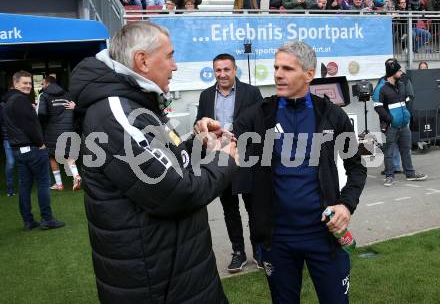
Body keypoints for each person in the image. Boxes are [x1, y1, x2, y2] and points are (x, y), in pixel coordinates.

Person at [69, 21, 238, 303]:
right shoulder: (116, 113)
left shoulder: (132, 103)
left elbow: (164, 163)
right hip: (159, 282)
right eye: (170, 55)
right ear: (142, 60)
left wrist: (199, 143)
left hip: (176, 269)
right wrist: (223, 161)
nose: (174, 66)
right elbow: (176, 192)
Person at [196, 41, 367, 303]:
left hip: (323, 235)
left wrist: (346, 205)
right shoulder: (260, 114)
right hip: (278, 240)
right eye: (276, 67)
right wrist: (211, 133)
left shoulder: (331, 115)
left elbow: (356, 166)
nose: (278, 74)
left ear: (309, 74)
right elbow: (228, 139)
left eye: (287, 68)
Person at [196, 53, 263, 273]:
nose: (222, 74)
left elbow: (260, 123)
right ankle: (238, 252)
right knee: (229, 209)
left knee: (254, 207)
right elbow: (201, 125)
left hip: (247, 158)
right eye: (218, 70)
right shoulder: (206, 96)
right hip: (220, 160)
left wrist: (235, 137)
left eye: (226, 69)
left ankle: (260, 250)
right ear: (213, 72)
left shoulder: (252, 93)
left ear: (235, 70)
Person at [3, 71, 65, 231]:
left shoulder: (9, 101)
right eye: (24, 83)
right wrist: (40, 143)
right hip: (32, 149)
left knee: (25, 186)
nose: (28, 86)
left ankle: (28, 221)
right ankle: (47, 219)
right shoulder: (20, 101)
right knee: (44, 183)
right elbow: (30, 126)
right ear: (15, 84)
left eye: (30, 83)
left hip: (18, 150)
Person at [374, 59, 427, 186]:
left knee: (406, 150)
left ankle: (410, 174)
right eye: (399, 70)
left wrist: (407, 115)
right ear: (392, 73)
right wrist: (390, 119)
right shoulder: (381, 88)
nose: (401, 72)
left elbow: (408, 100)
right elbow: (377, 106)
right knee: (389, 152)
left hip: (404, 126)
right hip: (391, 127)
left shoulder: (402, 85)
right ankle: (389, 176)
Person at [37, 76, 82, 191]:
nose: (42, 86)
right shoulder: (68, 95)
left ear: (47, 83)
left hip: (51, 130)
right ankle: (76, 175)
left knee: (52, 156)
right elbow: (76, 112)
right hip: (68, 129)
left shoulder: (44, 95)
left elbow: (41, 114)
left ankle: (59, 184)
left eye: (42, 84)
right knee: (68, 154)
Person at [0, 92, 16, 196]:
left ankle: (25, 188)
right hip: (8, 139)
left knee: (23, 163)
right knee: (10, 163)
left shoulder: (20, 106)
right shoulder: (2, 108)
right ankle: (10, 190)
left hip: (21, 140)